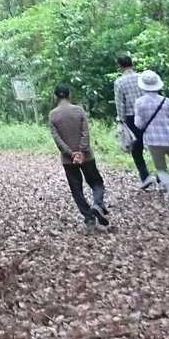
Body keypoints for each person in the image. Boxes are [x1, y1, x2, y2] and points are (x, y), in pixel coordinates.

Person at [48, 84, 110, 230]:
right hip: (86, 156)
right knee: (96, 182)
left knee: (76, 189)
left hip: (68, 160)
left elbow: (57, 139)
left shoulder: (53, 115)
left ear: (55, 96)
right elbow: (85, 132)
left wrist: (70, 153)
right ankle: (97, 204)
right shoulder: (79, 110)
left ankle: (89, 218)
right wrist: (81, 151)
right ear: (69, 94)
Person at [134, 70, 169, 213]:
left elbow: (138, 125)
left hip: (153, 142)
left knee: (161, 169)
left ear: (142, 86)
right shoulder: (166, 101)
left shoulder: (139, 103)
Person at [114, 54, 158, 190]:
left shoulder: (119, 82)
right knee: (154, 144)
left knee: (137, 148)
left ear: (119, 66)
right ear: (132, 64)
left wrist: (120, 120)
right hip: (148, 114)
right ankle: (162, 174)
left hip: (131, 116)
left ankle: (145, 176)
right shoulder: (141, 77)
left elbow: (120, 103)